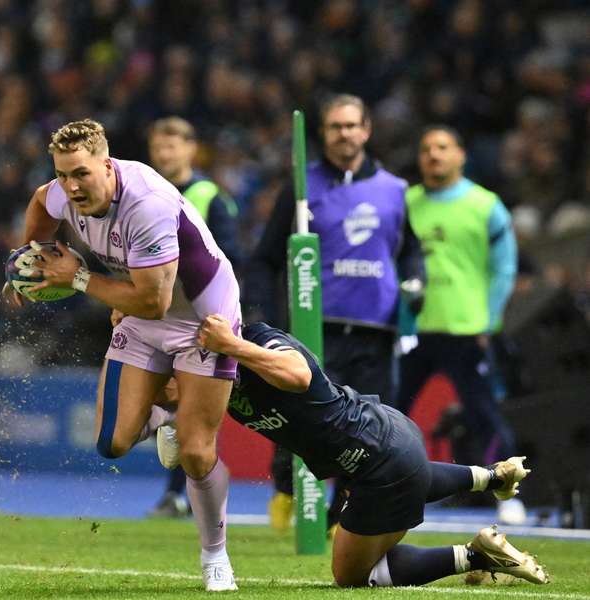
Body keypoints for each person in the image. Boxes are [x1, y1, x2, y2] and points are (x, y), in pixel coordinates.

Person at [3, 119, 242, 591]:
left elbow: (153, 301)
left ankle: (215, 556)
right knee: (110, 443)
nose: (71, 187)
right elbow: (38, 202)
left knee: (196, 452)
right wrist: (31, 258)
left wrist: (75, 278)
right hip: (139, 309)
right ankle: (167, 415)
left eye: (82, 175)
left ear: (107, 166)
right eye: (64, 175)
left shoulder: (147, 203)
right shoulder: (61, 191)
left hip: (202, 319)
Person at [197, 314, 548, 588]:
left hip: (378, 462)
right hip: (383, 440)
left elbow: (298, 375)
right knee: (403, 478)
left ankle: (477, 556)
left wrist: (231, 344)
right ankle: (491, 476)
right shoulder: (211, 377)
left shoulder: (255, 338)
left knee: (351, 575)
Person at [245, 94, 425, 530]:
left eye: (351, 126)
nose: (344, 134)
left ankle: (343, 515)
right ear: (322, 134)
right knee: (302, 423)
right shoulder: (302, 188)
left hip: (376, 331)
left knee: (370, 429)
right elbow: (266, 258)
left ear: (367, 130)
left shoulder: (396, 190)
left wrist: (416, 284)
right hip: (314, 329)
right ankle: (288, 491)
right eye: (334, 127)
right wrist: (268, 317)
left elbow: (412, 253)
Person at [398, 125, 522, 524]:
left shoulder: (485, 205)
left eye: (442, 147)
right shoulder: (405, 203)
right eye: (426, 148)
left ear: (460, 155)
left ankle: (509, 494)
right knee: (389, 415)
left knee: (485, 414)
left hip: (467, 329)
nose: (433, 154)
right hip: (413, 328)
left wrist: (490, 320)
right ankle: (380, 491)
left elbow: (504, 269)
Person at [145, 115, 242, 519]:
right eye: (159, 147)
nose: (165, 153)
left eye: (172, 146)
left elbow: (229, 256)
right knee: (163, 402)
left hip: (198, 319)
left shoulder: (209, 196)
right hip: (155, 314)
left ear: (190, 149)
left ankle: (182, 493)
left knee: (189, 409)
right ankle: (184, 489)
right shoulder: (144, 194)